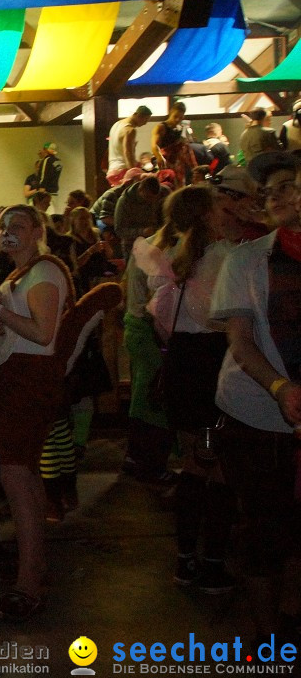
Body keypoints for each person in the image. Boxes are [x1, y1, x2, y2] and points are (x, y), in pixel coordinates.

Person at [210, 150, 301, 647]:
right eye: (269, 191)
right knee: (266, 527)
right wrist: (282, 388)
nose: (276, 196)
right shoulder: (247, 258)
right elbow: (241, 342)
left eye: (287, 184)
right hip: (256, 411)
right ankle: (268, 641)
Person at [134, 186, 235, 595]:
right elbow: (225, 321)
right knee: (220, 468)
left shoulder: (172, 259)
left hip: (182, 366)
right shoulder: (225, 257)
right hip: (212, 367)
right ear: (210, 215)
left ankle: (185, 560)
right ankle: (212, 564)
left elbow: (163, 321)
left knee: (196, 462)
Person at [0, 204, 72, 620]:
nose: (8, 232)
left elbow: (42, 332)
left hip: (27, 382)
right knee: (26, 476)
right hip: (15, 379)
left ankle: (27, 584)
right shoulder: (20, 274)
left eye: (18, 226)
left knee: (16, 476)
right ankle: (34, 568)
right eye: (4, 226)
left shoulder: (44, 272)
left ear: (38, 230)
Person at [107, 106, 153, 186]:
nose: (145, 124)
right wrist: (134, 173)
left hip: (112, 170)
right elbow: (127, 152)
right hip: (123, 169)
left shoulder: (116, 125)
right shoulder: (130, 130)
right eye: (145, 120)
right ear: (137, 115)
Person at [152, 103, 196, 186]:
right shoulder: (161, 127)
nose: (177, 119)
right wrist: (159, 156)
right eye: (175, 116)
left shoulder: (180, 129)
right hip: (165, 162)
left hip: (178, 165)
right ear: (171, 112)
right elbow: (154, 145)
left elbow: (185, 148)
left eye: (180, 118)